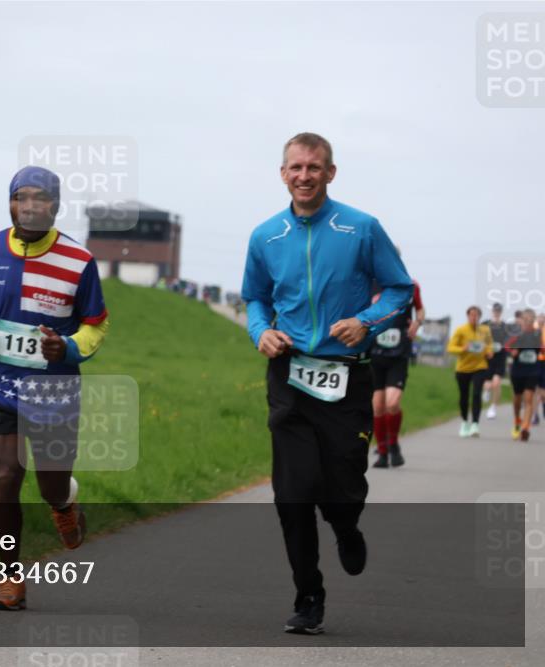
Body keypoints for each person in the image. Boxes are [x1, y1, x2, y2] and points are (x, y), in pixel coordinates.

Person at [241, 132, 412, 635]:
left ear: (330, 173)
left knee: (341, 486)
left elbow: (398, 288)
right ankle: (308, 596)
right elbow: (254, 297)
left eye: (314, 167)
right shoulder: (265, 236)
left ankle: (345, 524)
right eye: (295, 167)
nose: (304, 176)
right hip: (290, 375)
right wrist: (260, 331)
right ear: (282, 174)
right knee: (292, 492)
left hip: (346, 377)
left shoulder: (361, 228)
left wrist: (367, 322)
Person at [0, 165, 110, 611]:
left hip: (54, 391)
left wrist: (69, 348)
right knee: (6, 474)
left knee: (50, 485)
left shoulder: (78, 262)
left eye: (40, 198)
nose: (30, 205)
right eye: (21, 197)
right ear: (10, 202)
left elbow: (96, 325)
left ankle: (65, 505)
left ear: (56, 206)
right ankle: (9, 580)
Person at [370, 279, 424, 468]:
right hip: (375, 353)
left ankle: (393, 444)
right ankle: (383, 453)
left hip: (399, 352)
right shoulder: (370, 283)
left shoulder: (410, 285)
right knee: (377, 406)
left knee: (392, 403)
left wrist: (417, 322)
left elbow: (420, 309)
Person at [446, 306, 494, 437]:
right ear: (468, 316)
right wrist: (463, 348)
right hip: (463, 368)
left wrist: (489, 351)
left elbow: (489, 344)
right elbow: (450, 348)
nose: (474, 317)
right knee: (464, 396)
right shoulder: (461, 330)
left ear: (480, 317)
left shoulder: (485, 330)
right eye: (472, 315)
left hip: (480, 366)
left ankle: (475, 424)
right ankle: (464, 422)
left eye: (477, 315)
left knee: (477, 393)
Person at [504, 309, 542, 441]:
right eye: (526, 319)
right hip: (518, 371)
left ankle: (526, 428)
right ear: (522, 321)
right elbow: (507, 346)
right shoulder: (517, 335)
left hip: (533, 371)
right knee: (517, 400)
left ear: (534, 320)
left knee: (529, 398)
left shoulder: (538, 335)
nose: (528, 322)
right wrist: (512, 352)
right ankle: (517, 421)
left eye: (531, 320)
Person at [482, 302, 508, 419]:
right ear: (492, 311)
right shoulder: (485, 324)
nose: (497, 312)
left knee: (496, 383)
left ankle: (492, 408)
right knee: (487, 384)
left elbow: (509, 341)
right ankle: (486, 391)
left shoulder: (505, 326)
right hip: (488, 357)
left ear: (501, 312)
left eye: (499, 311)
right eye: (495, 310)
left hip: (500, 357)